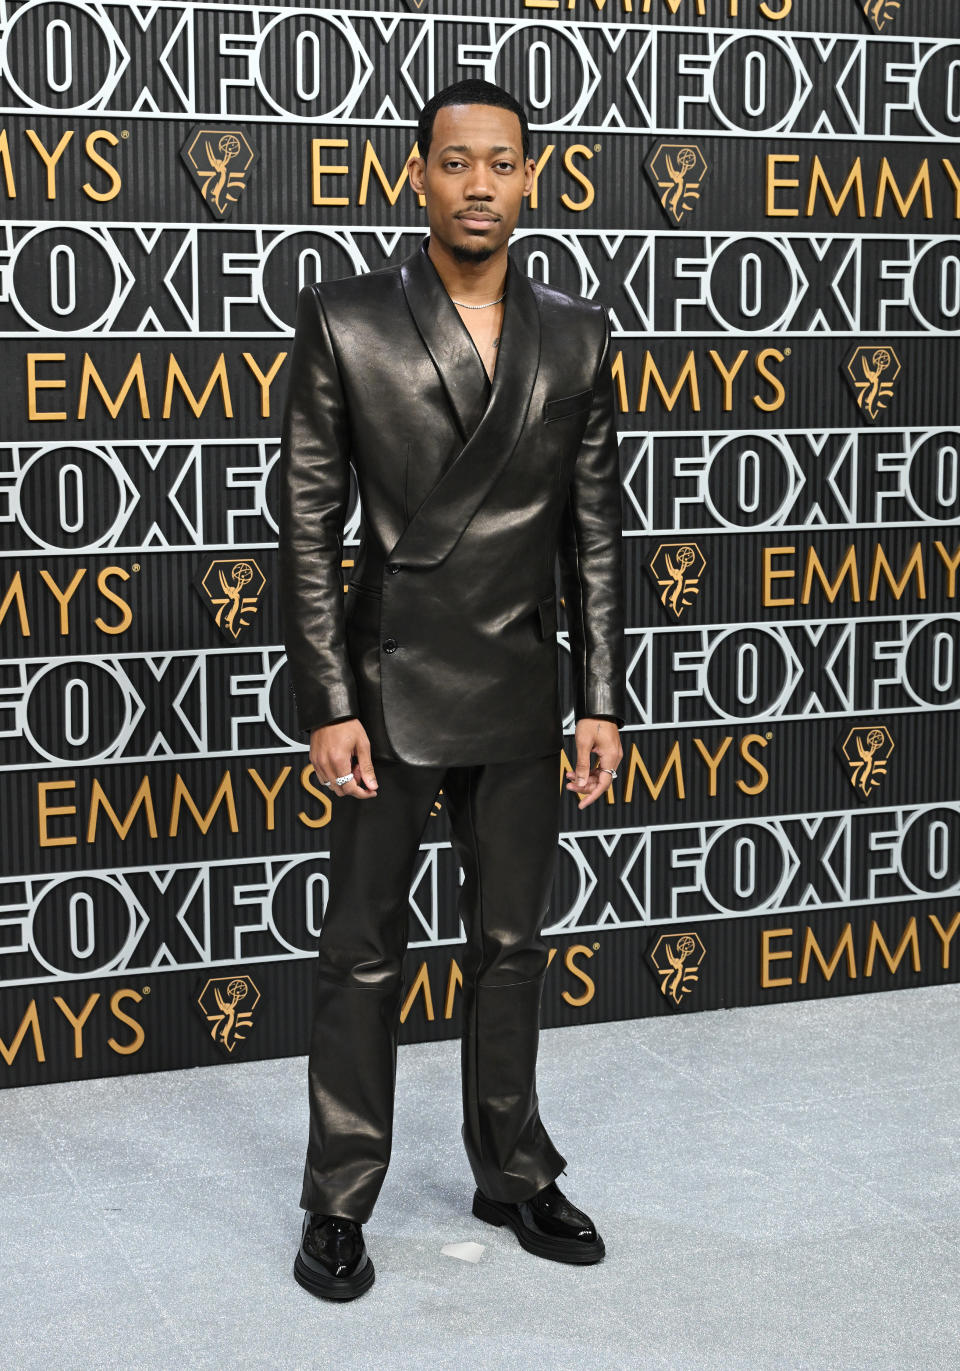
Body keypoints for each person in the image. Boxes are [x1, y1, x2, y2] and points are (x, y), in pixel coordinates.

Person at [278, 77, 626, 1302]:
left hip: (526, 686)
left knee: (513, 946)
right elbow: (308, 529)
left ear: (533, 178)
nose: (481, 183)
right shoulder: (345, 319)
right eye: (457, 162)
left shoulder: (578, 334)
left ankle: (513, 1169)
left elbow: (595, 535)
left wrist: (601, 698)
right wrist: (328, 701)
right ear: (416, 176)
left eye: (505, 163)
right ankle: (337, 1198)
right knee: (364, 953)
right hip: (388, 683)